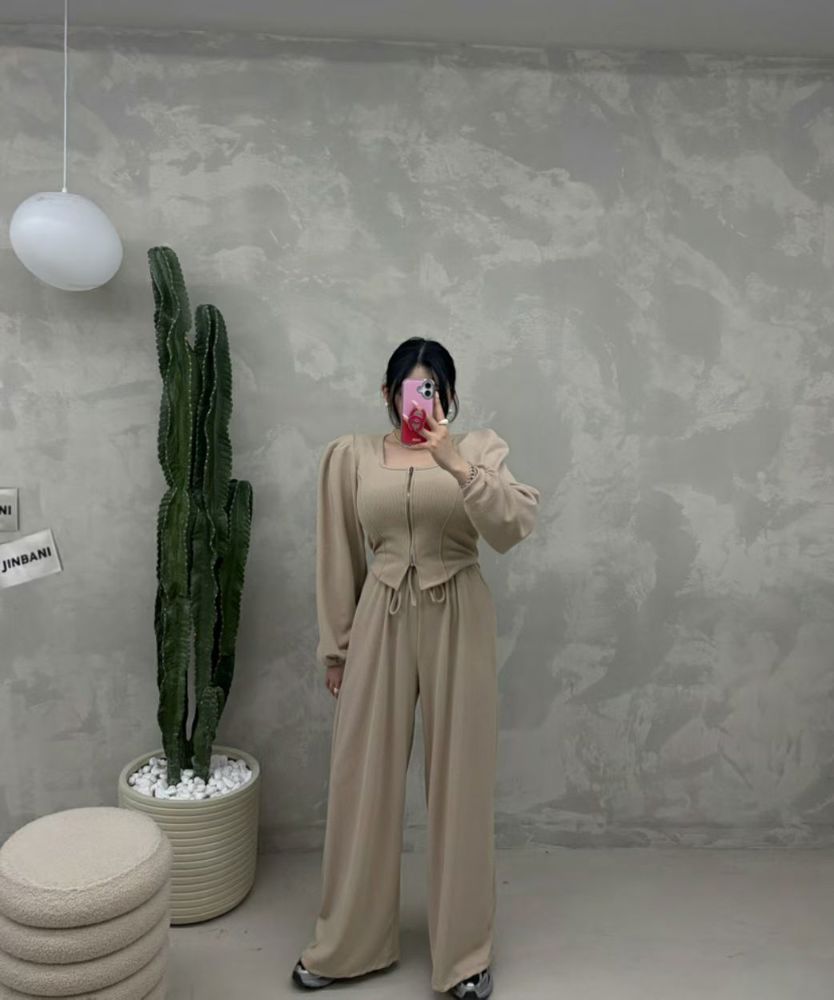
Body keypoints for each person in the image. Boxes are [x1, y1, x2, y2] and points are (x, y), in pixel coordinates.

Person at [292, 338, 540, 998]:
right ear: (388, 392)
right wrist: (337, 649)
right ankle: (347, 945)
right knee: (361, 778)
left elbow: (513, 526)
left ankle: (464, 956)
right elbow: (338, 555)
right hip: (381, 615)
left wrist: (455, 463)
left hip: (459, 611)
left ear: (450, 396)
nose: (421, 399)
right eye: (411, 386)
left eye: (435, 387)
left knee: (462, 781)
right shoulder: (351, 456)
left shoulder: (479, 449)